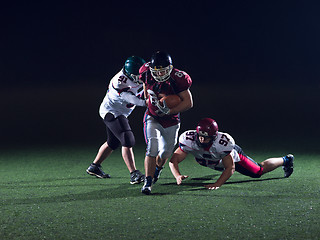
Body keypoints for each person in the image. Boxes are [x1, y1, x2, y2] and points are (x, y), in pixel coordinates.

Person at [169, 118, 294, 190]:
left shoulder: (223, 144)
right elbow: (173, 160)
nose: (202, 140)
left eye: (206, 138)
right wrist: (177, 176)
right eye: (200, 136)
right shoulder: (188, 139)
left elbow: (230, 168)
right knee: (205, 160)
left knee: (258, 171)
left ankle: (286, 160)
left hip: (232, 159)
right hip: (212, 160)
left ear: (213, 137)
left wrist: (217, 184)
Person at [139, 50, 193, 194]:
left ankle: (158, 169)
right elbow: (145, 84)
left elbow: (188, 102)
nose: (161, 74)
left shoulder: (178, 78)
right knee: (152, 148)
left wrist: (169, 111)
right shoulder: (145, 72)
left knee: (165, 152)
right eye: (157, 71)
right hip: (153, 117)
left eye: (164, 71)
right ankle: (148, 182)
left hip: (171, 120)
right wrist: (147, 98)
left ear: (170, 68)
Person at [86, 56, 146, 184]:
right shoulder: (120, 82)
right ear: (130, 74)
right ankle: (134, 173)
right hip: (112, 112)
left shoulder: (134, 74)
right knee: (127, 138)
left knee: (113, 142)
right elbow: (134, 100)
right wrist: (148, 102)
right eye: (138, 75)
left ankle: (94, 166)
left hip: (121, 111)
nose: (141, 77)